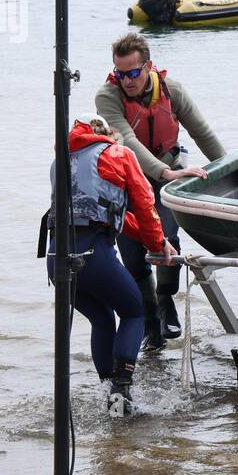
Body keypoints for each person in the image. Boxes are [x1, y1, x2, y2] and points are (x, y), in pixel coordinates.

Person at [95, 34, 226, 352]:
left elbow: (202, 132)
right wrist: (165, 172)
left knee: (167, 238)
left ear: (149, 66)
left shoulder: (173, 90)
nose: (126, 80)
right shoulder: (107, 97)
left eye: (133, 72)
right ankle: (150, 324)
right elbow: (126, 139)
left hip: (168, 177)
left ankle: (166, 304)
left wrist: (228, 170)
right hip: (126, 181)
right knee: (133, 257)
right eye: (120, 73)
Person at [43, 114, 176, 417]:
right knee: (134, 311)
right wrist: (158, 245)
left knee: (101, 319)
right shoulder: (119, 153)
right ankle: (122, 388)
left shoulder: (62, 160)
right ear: (110, 136)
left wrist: (151, 240)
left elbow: (108, 212)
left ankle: (108, 392)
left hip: (55, 259)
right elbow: (144, 206)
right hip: (93, 254)